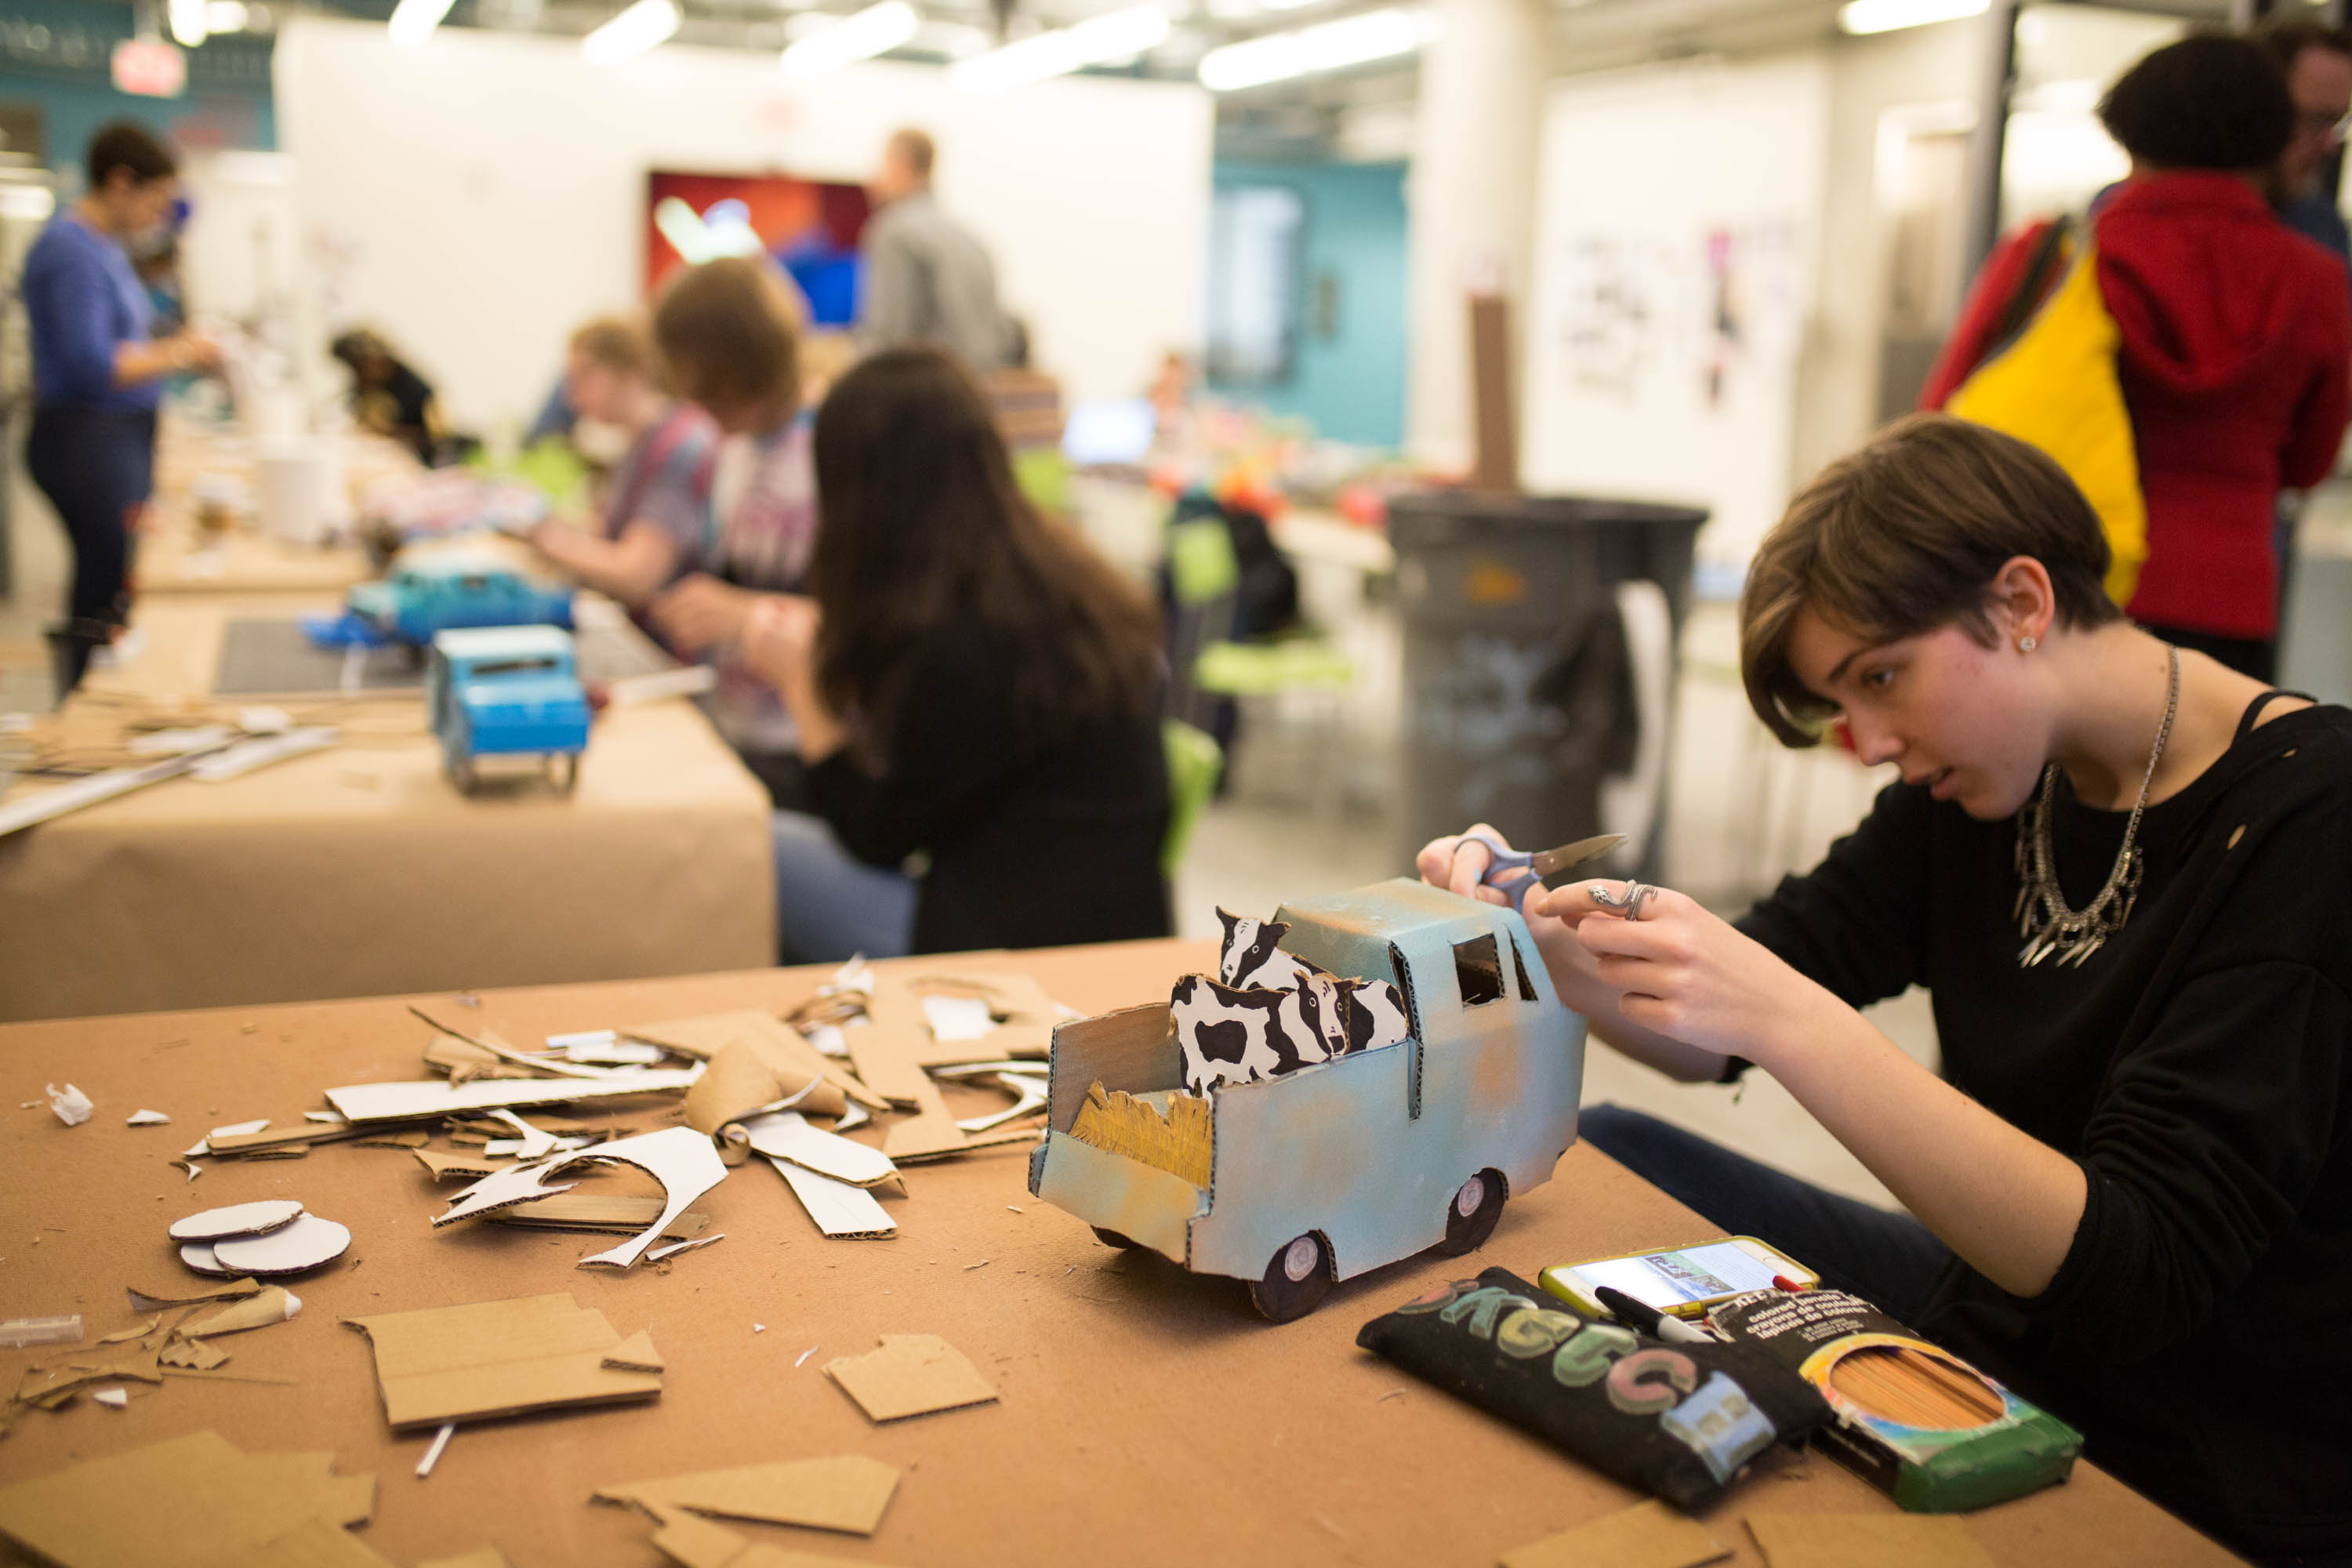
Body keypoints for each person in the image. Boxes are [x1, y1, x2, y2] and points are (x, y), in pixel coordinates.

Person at [1421, 414, 2351, 1565]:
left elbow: (2134, 1274)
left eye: (1880, 678)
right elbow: (1713, 1035)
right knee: (1620, 1147)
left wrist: (1785, 1013)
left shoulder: (2315, 821)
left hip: (2201, 1422)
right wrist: (1529, 943)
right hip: (1999, 1308)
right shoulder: (1990, 785)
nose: (1863, 741)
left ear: (2021, 604)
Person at [1922, 34, 2351, 684]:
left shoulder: (2058, 255)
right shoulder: (2320, 280)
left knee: (2040, 782)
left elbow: (1941, 417)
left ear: (2132, 132)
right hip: (2231, 604)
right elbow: (2309, 464)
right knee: (2195, 781)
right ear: (2270, 136)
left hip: (2058, 583)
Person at [739, 346, 1171, 959]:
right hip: (1103, 921)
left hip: (1013, 946)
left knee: (751, 852)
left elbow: (878, 834)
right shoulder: (1045, 577)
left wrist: (801, 690)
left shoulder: (967, 636)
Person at [22, 120, 220, 697]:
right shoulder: (71, 250)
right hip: (84, 439)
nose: (158, 213)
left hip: (111, 436)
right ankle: (87, 706)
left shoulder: (105, 250)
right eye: (155, 197)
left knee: (114, 580)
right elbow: (93, 362)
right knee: (102, 583)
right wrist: (181, 351)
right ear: (120, 182)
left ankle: (98, 688)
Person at [644, 256, 820, 808]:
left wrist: (744, 615)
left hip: (808, 751)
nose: (694, 402)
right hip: (736, 730)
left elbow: (884, 627)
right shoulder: (730, 449)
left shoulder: (836, 448)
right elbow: (730, 582)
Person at [526, 315, 717, 630]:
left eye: (585, 375)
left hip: (666, 644)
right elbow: (610, 530)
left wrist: (550, 541)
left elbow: (637, 576)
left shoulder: (680, 447)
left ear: (633, 374)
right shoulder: (641, 442)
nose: (570, 396)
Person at [858, 128, 1008, 375]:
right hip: (973, 393)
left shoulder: (894, 233)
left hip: (920, 396)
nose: (874, 177)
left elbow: (887, 338)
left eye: (882, 165)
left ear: (902, 167)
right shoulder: (971, 239)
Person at [2254, 16, 2352, 263]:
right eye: (2315, 120)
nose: (2331, 146)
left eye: (2337, 122)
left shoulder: (2320, 226)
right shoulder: (2181, 224)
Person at [328, 328, 443, 465]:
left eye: (360, 368)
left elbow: (435, 438)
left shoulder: (417, 390)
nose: (359, 376)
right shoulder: (371, 384)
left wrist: (389, 434)